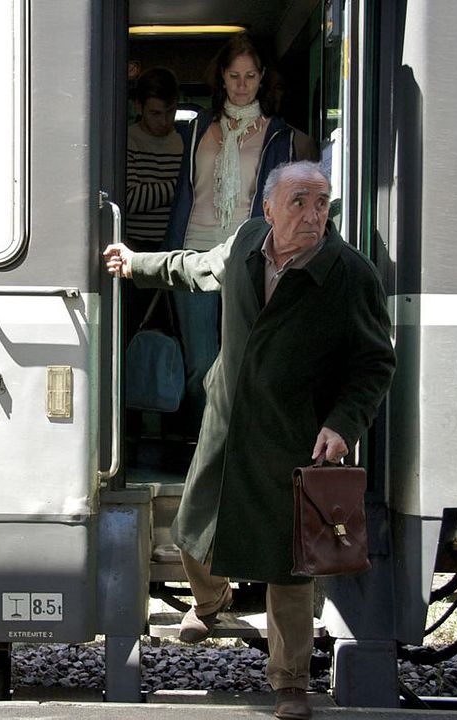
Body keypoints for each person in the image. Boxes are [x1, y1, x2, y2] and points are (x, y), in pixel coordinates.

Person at [104, 161, 396, 720]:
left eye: (322, 202)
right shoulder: (243, 245)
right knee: (192, 532)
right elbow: (193, 268)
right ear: (268, 209)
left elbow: (375, 362)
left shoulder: (348, 274)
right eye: (300, 202)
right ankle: (211, 602)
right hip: (226, 425)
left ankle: (289, 682)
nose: (314, 214)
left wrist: (342, 423)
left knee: (289, 569)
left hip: (295, 439)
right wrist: (135, 263)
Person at [163, 32, 316, 647]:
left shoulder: (281, 135)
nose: (243, 85)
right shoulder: (196, 130)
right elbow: (184, 193)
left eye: (252, 76)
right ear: (220, 78)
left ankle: (225, 467)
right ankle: (212, 461)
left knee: (229, 364)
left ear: (262, 81)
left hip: (247, 261)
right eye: (234, 76)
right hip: (197, 250)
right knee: (206, 367)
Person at [124, 68, 183, 347]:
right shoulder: (128, 140)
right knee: (133, 329)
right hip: (136, 249)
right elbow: (133, 200)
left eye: (170, 112)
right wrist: (178, 187)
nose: (165, 121)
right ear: (139, 107)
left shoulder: (183, 141)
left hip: (175, 249)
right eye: (156, 113)